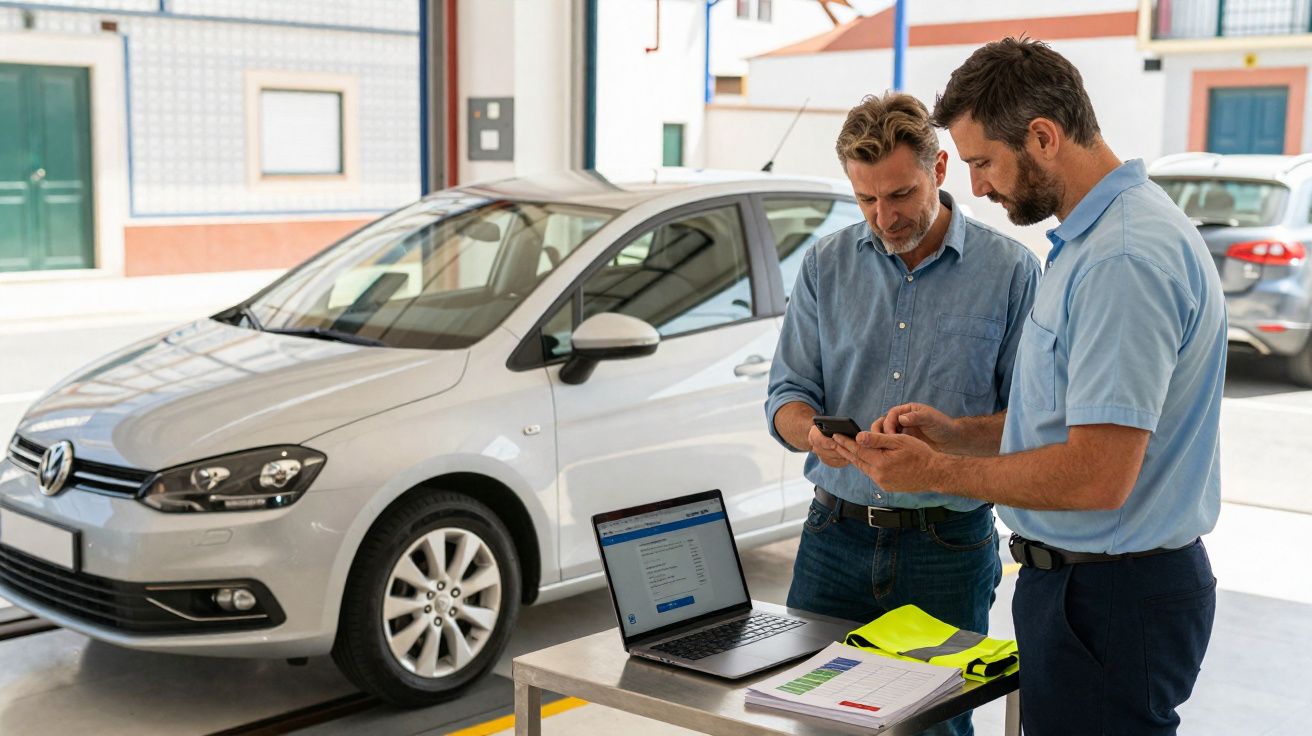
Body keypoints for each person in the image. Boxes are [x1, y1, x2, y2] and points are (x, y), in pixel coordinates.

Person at [829, 38, 1225, 736]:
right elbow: (1067, 423)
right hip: (1089, 588)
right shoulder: (1093, 244)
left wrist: (942, 471)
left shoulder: (1121, 260)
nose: (976, 187)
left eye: (983, 162)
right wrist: (960, 435)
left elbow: (1098, 474)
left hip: (1108, 595)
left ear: (1042, 136)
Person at [764, 92, 1040, 736]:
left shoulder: (1010, 273)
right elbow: (785, 396)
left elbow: (1030, 424)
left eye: (900, 195)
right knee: (811, 722)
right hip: (831, 537)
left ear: (939, 170)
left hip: (947, 547)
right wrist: (813, 434)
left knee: (935, 728)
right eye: (866, 200)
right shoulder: (825, 265)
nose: (883, 217)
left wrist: (945, 446)